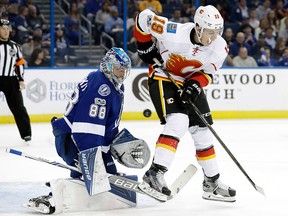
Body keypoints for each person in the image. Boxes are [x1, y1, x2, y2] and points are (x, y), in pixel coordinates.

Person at [25, 47, 150, 214]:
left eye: (124, 70)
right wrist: (91, 158)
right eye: (119, 69)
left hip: (89, 137)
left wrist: (112, 144)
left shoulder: (112, 83)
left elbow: (106, 123)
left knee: (108, 174)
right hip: (73, 138)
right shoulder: (100, 87)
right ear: (108, 66)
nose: (122, 73)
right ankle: (53, 197)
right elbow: (87, 127)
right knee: (86, 175)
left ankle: (77, 185)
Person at [134, 5, 236, 202]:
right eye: (210, 32)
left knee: (203, 130)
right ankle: (154, 173)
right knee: (178, 121)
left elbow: (207, 73)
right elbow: (143, 18)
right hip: (164, 75)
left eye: (217, 31)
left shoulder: (219, 47)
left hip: (188, 81)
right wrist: (144, 47)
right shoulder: (173, 32)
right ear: (198, 28)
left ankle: (211, 183)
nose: (214, 37)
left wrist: (195, 86)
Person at [0, 18, 31, 142]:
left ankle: (26, 134)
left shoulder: (14, 46)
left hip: (11, 80)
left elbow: (20, 63)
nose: (6, 31)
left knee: (19, 107)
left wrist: (21, 79)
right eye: (3, 28)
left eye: (8, 29)